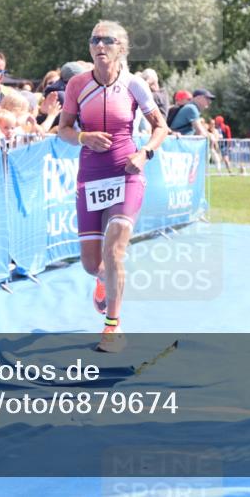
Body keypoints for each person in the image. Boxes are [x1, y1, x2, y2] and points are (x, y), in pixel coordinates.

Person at [58, 20, 167, 352]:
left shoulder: (135, 85)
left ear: (122, 47)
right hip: (91, 174)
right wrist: (82, 136)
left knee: (116, 249)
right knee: (93, 264)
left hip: (127, 171)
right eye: (94, 40)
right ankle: (103, 281)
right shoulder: (77, 85)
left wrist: (145, 153)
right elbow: (62, 129)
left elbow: (160, 126)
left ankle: (112, 327)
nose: (99, 45)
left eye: (107, 40)